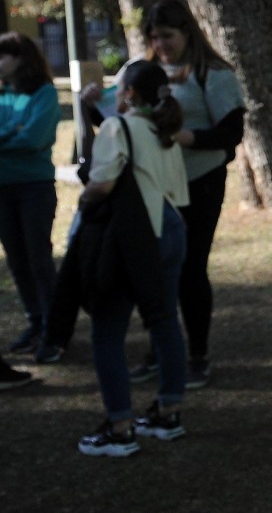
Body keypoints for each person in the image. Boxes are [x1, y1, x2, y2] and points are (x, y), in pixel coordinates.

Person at [85, 0, 245, 389]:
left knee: (191, 270)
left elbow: (232, 135)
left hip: (200, 183)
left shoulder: (213, 73)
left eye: (167, 36)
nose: (161, 43)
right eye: (154, 36)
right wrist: (89, 104)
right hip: (152, 186)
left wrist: (184, 137)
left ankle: (197, 357)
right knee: (153, 270)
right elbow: (117, 121)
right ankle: (160, 351)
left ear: (187, 32)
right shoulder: (141, 70)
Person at [75, 60, 189, 457]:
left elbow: (102, 183)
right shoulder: (165, 129)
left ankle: (120, 426)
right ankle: (168, 412)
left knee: (107, 328)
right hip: (172, 226)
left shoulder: (117, 128)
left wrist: (84, 198)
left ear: (129, 93)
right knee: (163, 319)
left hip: (135, 234)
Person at [0, 31, 61, 364]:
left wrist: (13, 136)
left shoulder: (45, 94)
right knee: (17, 259)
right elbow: (21, 136)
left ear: (20, 58)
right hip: (3, 189)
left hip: (34, 187)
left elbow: (35, 139)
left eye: (2, 56)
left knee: (38, 257)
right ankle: (35, 322)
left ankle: (54, 328)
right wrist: (14, 132)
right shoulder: (2, 94)